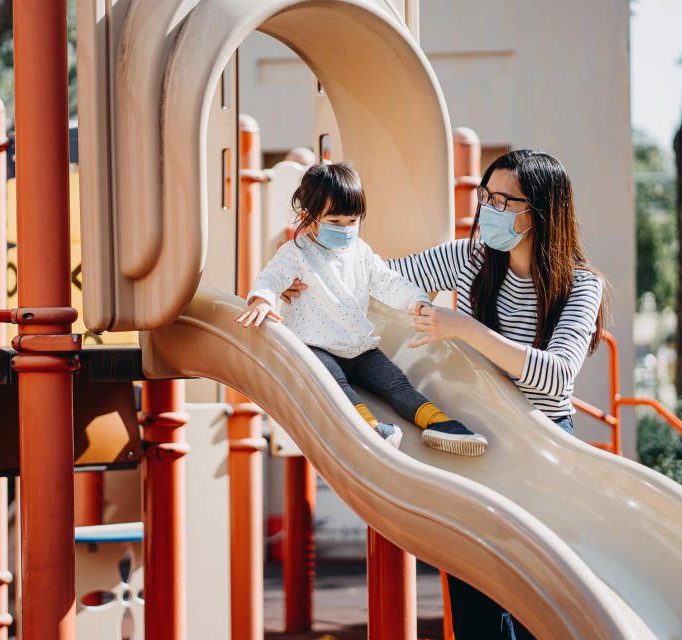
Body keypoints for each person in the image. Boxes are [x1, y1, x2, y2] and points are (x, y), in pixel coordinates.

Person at [281, 150, 608, 639]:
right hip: (475, 436)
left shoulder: (581, 286)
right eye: (487, 195)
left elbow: (557, 375)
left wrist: (466, 329)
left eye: (505, 200)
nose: (490, 207)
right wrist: (303, 280)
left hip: (541, 448)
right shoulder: (468, 258)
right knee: (473, 587)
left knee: (529, 591)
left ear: (541, 210)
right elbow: (371, 280)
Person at [235, 162, 489, 456]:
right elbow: (272, 277)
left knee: (397, 384)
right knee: (336, 386)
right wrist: (262, 298)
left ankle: (441, 424)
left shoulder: (361, 252)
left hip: (359, 347)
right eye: (335, 221)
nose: (345, 229)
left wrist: (416, 301)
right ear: (308, 217)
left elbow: (388, 281)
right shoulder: (296, 254)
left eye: (352, 221)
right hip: (316, 348)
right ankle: (371, 428)